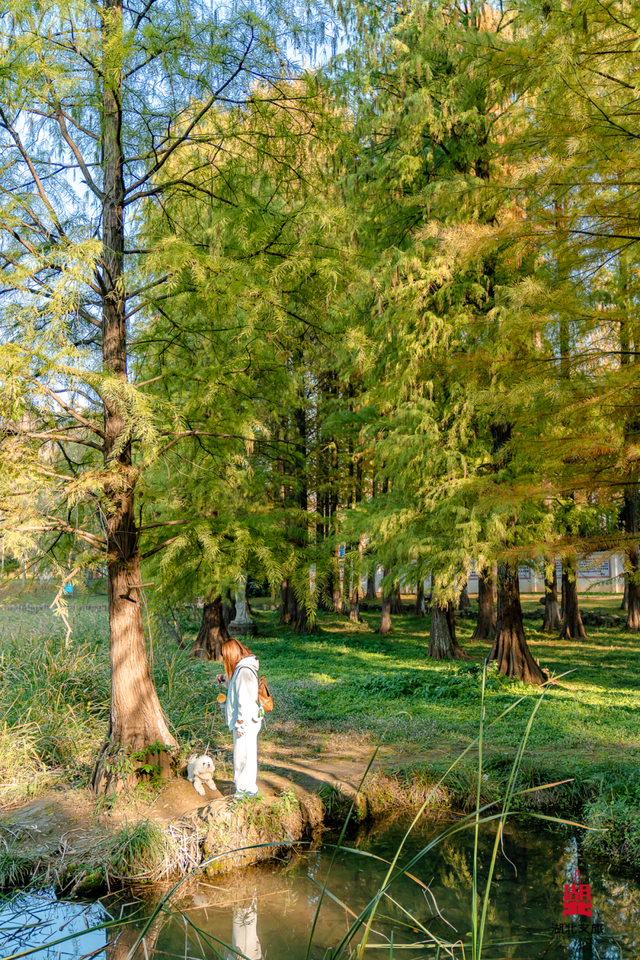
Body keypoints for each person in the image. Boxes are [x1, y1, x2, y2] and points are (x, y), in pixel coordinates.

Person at [218, 638, 262, 796]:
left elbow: (243, 699)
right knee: (247, 754)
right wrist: (225, 679)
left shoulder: (243, 671)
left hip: (245, 720)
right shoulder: (243, 669)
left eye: (225, 656)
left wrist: (241, 724)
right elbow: (238, 688)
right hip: (249, 719)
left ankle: (245, 791)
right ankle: (247, 789)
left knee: (242, 756)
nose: (224, 659)